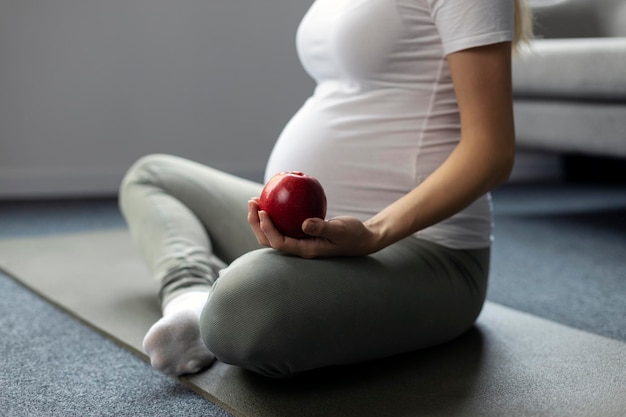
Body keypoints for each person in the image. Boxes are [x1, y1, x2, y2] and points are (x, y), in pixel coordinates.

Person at [119, 0, 533, 378]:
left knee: (239, 309)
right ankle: (189, 300)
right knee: (152, 176)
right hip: (312, 228)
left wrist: (374, 232)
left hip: (425, 249)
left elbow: (492, 152)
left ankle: (235, 293)